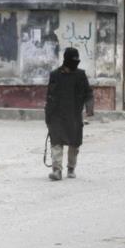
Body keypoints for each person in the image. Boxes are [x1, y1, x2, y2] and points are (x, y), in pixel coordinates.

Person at [44, 47, 93, 181]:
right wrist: (48, 115)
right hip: (57, 115)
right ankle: (57, 170)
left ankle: (71, 168)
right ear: (66, 60)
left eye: (77, 60)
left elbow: (88, 93)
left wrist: (89, 108)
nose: (75, 62)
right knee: (56, 142)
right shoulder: (55, 75)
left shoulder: (80, 75)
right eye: (73, 60)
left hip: (74, 115)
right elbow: (50, 96)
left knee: (74, 143)